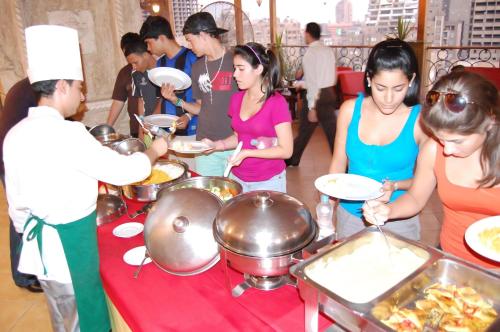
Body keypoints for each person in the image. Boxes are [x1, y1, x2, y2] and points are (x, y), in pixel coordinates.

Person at [3, 25, 169, 331]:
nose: (82, 98)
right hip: (71, 248)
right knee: (83, 319)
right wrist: (154, 151)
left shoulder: (15, 135)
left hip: (41, 250)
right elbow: (126, 172)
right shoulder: (69, 134)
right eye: (80, 88)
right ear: (62, 87)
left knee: (63, 317)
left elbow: (16, 209)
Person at [363, 71, 500, 269]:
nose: (448, 150)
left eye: (457, 141)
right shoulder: (433, 149)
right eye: (441, 138)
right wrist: (388, 211)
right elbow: (415, 198)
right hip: (452, 260)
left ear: (490, 122)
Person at [329, 38, 427, 241]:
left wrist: (396, 185)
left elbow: (425, 182)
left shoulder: (420, 121)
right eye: (380, 88)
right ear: (368, 79)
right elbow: (338, 165)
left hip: (399, 218)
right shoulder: (349, 111)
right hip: (350, 215)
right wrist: (327, 208)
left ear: (411, 80)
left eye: (398, 88)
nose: (389, 99)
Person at [202, 43, 293, 192]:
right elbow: (240, 137)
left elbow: (286, 150)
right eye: (235, 68)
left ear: (258, 69)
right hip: (237, 178)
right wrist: (216, 145)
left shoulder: (276, 103)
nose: (235, 74)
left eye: (241, 69)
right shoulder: (236, 99)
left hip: (268, 181)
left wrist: (248, 153)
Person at [162, 12, 238, 176]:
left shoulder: (236, 61)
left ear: (203, 35)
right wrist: (175, 100)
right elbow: (200, 107)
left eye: (190, 39)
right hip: (205, 145)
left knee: (235, 196)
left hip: (233, 142)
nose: (189, 45)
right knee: (211, 195)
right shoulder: (197, 67)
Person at [0, 78, 42, 292]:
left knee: (18, 212)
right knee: (22, 216)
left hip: (10, 155)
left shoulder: (22, 85)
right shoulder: (36, 90)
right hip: (16, 159)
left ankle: (23, 273)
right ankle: (25, 276)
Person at [286, 22, 337, 167]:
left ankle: (292, 159)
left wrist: (313, 108)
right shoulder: (327, 50)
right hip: (329, 93)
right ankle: (344, 165)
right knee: (332, 134)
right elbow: (333, 75)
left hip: (317, 97)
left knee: (304, 131)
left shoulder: (310, 54)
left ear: (307, 34)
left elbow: (314, 83)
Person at [140, 15, 199, 136]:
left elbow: (204, 100)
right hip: (168, 131)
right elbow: (163, 97)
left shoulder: (193, 58)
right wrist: (152, 120)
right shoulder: (160, 64)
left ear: (161, 38)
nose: (148, 48)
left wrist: (188, 116)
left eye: (149, 43)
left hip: (192, 128)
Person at [106, 32, 142, 137]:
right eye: (126, 53)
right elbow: (118, 101)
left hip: (153, 126)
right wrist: (108, 127)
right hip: (135, 128)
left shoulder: (152, 67)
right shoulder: (124, 72)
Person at [124, 38, 161, 119]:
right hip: (148, 123)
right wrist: (142, 124)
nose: (134, 67)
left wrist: (154, 120)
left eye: (135, 62)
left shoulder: (163, 69)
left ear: (146, 55)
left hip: (166, 122)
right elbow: (141, 101)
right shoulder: (135, 75)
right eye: (131, 64)